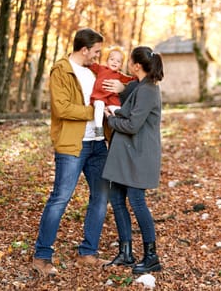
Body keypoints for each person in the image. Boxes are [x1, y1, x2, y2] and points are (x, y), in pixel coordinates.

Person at [32, 28, 110, 276]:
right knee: (60, 199)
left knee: (100, 198)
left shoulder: (92, 71)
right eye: (95, 52)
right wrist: (94, 112)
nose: (98, 57)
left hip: (98, 144)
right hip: (73, 145)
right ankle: (42, 256)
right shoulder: (61, 70)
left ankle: (88, 253)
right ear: (84, 49)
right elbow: (62, 108)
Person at [101, 46, 164, 274]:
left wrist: (111, 120)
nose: (127, 63)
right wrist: (116, 113)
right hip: (126, 155)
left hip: (140, 156)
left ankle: (151, 256)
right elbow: (128, 111)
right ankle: (126, 252)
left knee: (137, 201)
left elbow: (133, 125)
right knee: (117, 199)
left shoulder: (149, 90)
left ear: (137, 65)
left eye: (129, 60)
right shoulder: (140, 86)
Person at [88, 46, 137, 141]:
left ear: (121, 65)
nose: (114, 62)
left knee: (117, 110)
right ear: (107, 61)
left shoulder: (119, 75)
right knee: (99, 107)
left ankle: (119, 131)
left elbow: (131, 80)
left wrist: (137, 75)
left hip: (111, 99)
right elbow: (90, 64)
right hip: (99, 97)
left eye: (118, 61)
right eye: (112, 59)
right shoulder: (101, 69)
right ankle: (98, 130)